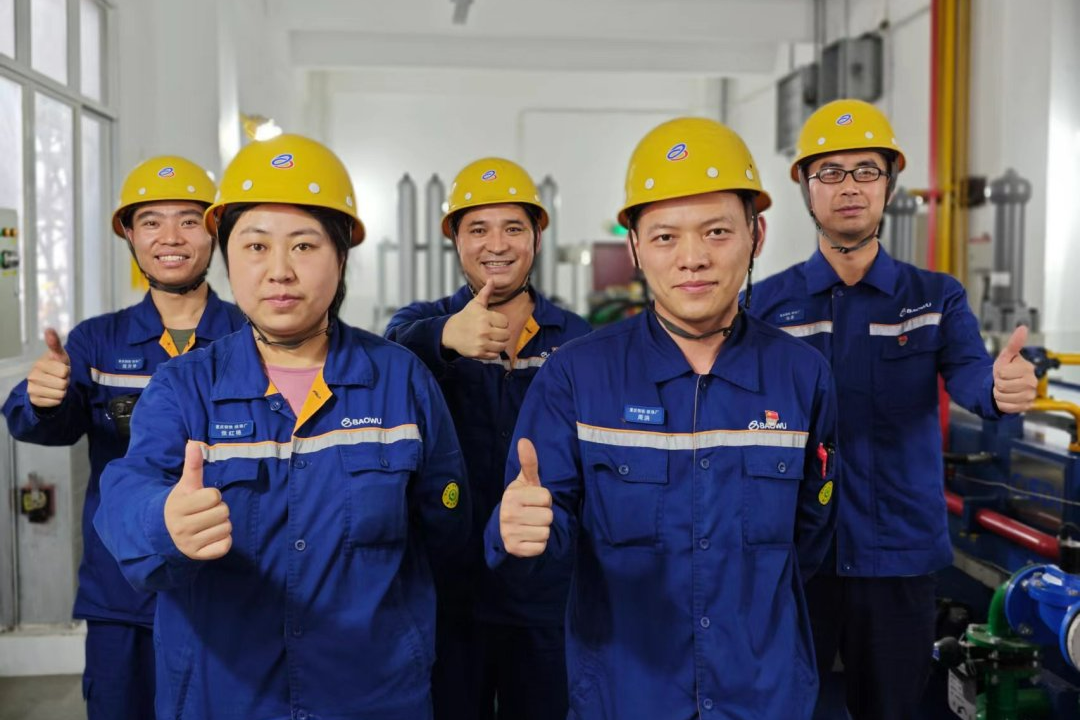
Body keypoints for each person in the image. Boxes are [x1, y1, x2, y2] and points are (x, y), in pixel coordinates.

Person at [94, 134, 470, 720]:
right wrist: (162, 521)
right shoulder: (185, 387)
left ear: (341, 256)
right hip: (225, 696)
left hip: (370, 694)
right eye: (255, 246)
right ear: (227, 258)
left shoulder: (402, 381)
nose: (279, 271)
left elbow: (446, 534)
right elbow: (126, 491)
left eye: (304, 245)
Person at [485, 117, 839, 718]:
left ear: (756, 235)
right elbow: (543, 537)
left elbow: (810, 538)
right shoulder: (577, 377)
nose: (692, 259)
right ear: (634, 249)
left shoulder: (803, 377)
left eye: (717, 232)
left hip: (763, 696)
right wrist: (513, 532)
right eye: (666, 237)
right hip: (626, 697)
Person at [748, 98, 1038, 720]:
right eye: (830, 172)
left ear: (889, 183)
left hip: (898, 554)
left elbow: (972, 377)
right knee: (780, 708)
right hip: (793, 554)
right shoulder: (765, 308)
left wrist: (1000, 389)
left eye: (867, 170)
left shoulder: (934, 299)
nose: (849, 187)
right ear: (805, 187)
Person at [2, 156, 243, 719]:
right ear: (130, 235)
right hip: (123, 591)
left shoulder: (250, 335)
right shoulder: (98, 342)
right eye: (151, 221)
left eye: (188, 220)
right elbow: (50, 425)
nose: (170, 237)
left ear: (213, 232)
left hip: (232, 586)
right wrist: (42, 399)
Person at [385, 157, 591, 720]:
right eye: (477, 228)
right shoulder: (419, 324)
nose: (496, 244)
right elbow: (384, 362)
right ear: (454, 238)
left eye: (513, 228)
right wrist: (444, 338)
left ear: (537, 237)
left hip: (546, 592)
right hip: (447, 592)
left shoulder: (577, 340)